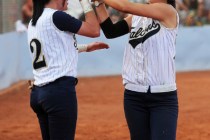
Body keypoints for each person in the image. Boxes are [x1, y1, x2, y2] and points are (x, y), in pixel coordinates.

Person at [92, 0, 179, 140]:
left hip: (162, 97)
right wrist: (98, 4)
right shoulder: (137, 18)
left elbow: (124, 6)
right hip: (134, 96)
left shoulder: (168, 11)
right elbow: (111, 31)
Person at [28, 0, 108, 140]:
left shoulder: (34, 20)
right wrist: (85, 2)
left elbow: (53, 51)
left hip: (38, 93)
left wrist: (85, 48)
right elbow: (94, 30)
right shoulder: (57, 16)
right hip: (57, 93)